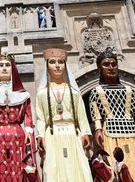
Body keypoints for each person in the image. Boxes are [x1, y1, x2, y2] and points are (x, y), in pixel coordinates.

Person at [90, 48, 135, 182]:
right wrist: (98, 130)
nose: (110, 67)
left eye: (113, 64)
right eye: (106, 64)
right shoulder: (96, 91)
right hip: (110, 134)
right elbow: (96, 115)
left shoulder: (131, 90)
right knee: (116, 170)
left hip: (133, 133)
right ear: (100, 68)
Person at [35, 48, 93, 182]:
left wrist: (85, 132)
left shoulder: (74, 92)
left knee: (77, 169)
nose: (57, 66)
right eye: (52, 62)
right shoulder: (42, 93)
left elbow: (81, 115)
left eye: (60, 62)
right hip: (52, 135)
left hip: (73, 134)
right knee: (53, 170)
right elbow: (41, 118)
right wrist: (40, 135)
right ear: (47, 66)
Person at [0, 54, 35, 181]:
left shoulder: (23, 95)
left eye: (8, 65)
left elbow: (28, 115)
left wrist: (28, 131)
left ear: (13, 69)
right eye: (1, 65)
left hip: (18, 136)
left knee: (19, 168)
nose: (4, 68)